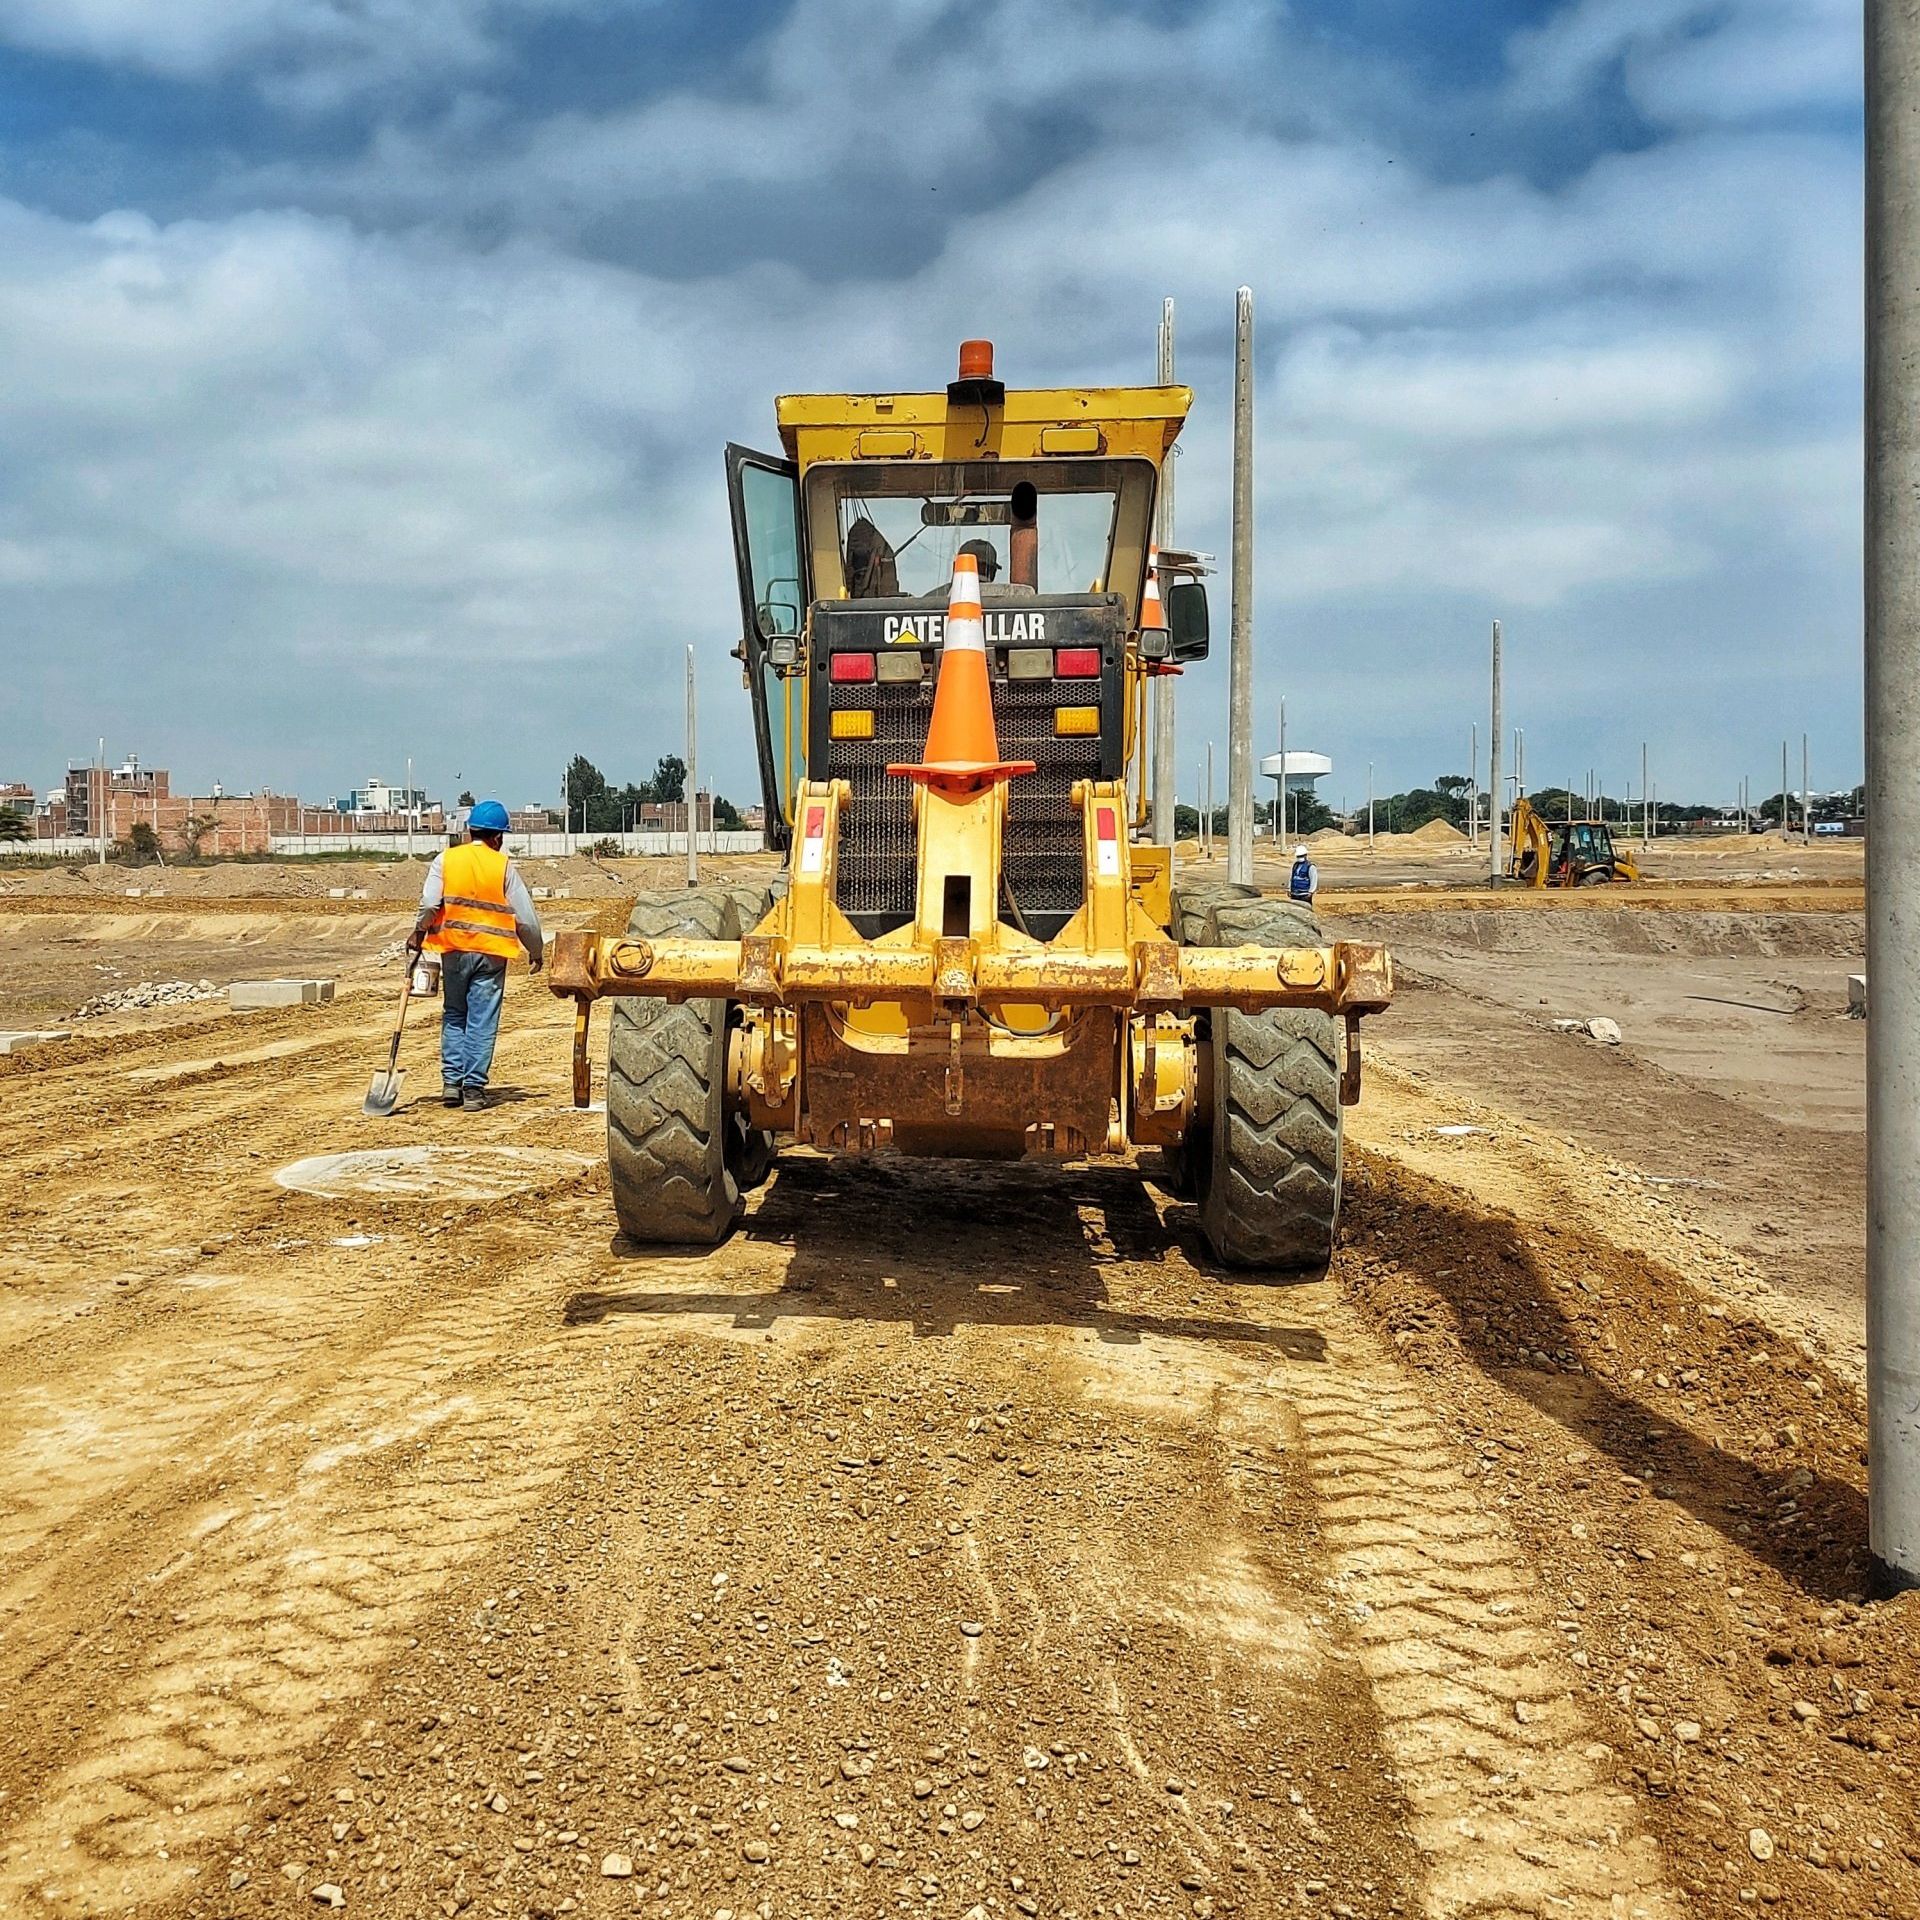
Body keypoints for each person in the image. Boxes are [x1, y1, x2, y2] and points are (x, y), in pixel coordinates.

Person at [406, 800, 544, 1111]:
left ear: (471, 832)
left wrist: (419, 931)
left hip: (454, 950)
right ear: (498, 837)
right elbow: (525, 918)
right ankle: (473, 1089)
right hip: (491, 957)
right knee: (482, 1020)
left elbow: (429, 904)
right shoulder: (503, 866)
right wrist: (536, 951)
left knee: (455, 1014)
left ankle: (451, 1084)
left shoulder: (446, 860)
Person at [1288, 842, 1318, 908]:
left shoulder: (1310, 866)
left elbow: (1313, 880)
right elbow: (1291, 878)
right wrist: (1289, 889)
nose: (1299, 858)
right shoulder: (1295, 865)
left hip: (1305, 894)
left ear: (1305, 855)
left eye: (1301, 856)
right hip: (1294, 893)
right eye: (1298, 856)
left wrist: (1311, 892)